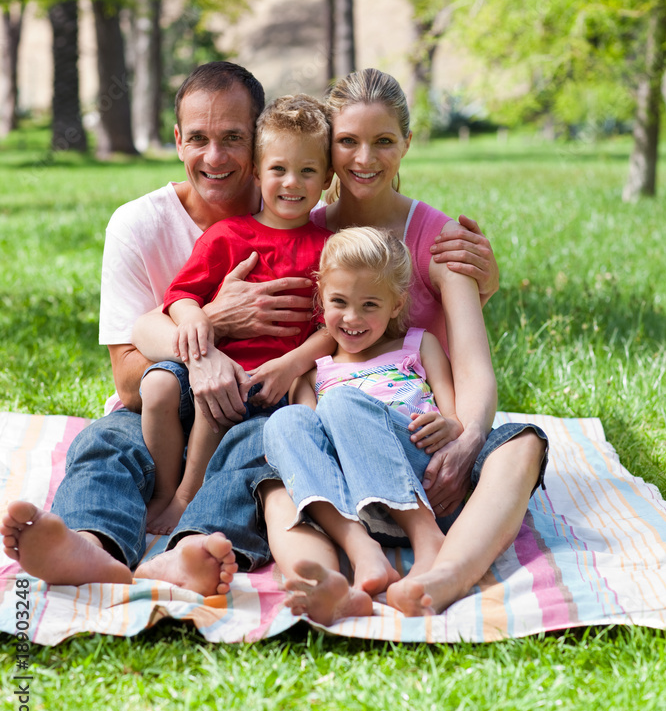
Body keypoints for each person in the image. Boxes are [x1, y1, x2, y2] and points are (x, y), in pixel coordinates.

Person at [1, 61, 499, 599]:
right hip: (168, 395)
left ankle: (188, 551)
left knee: (257, 449)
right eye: (199, 138)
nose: (215, 157)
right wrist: (210, 331)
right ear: (178, 140)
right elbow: (129, 381)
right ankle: (90, 543)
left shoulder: (313, 227)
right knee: (108, 440)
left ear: (261, 145)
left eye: (233, 138)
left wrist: (483, 288)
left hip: (263, 399)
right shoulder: (143, 223)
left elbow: (353, 326)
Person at [257, 68, 549, 621]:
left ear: (407, 143)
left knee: (522, 445)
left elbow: (472, 366)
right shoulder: (306, 231)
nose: (365, 158)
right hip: (340, 447)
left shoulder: (440, 240)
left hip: (424, 438)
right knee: (274, 453)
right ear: (328, 146)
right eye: (347, 141)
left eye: (384, 140)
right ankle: (333, 575)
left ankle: (442, 575)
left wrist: (467, 437)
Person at [135, 95, 333, 535]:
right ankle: (165, 492)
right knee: (161, 384)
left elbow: (331, 329)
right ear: (258, 171)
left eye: (307, 171)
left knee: (225, 403)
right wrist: (198, 326)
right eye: (278, 169)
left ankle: (189, 500)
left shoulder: (329, 250)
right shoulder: (229, 236)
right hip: (211, 364)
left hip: (275, 378)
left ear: (327, 178)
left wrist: (290, 364)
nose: (291, 183)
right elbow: (181, 296)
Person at [262, 227, 464, 623]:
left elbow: (454, 415)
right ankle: (364, 553)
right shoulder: (314, 373)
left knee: (339, 402)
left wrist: (451, 425)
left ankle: (428, 541)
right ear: (321, 299)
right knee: (285, 421)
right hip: (354, 503)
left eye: (370, 304)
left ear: (396, 304)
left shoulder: (418, 345)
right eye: (339, 302)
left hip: (419, 480)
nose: (352, 318)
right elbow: (312, 448)